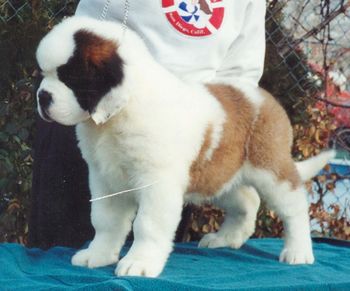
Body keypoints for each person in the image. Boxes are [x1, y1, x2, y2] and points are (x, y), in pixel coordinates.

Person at [28, 0, 266, 249]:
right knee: (64, 254)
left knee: (146, 255)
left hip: (180, 131)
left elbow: (240, 71)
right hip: (90, 108)